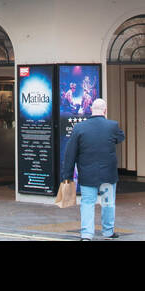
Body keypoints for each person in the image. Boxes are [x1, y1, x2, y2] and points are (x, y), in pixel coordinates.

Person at [60, 98, 126, 240]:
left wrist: (67, 175)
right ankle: (108, 232)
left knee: (87, 203)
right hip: (108, 174)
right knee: (108, 203)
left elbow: (70, 152)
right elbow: (121, 137)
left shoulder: (79, 127)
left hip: (87, 175)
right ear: (105, 111)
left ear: (90, 109)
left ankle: (86, 234)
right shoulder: (112, 126)